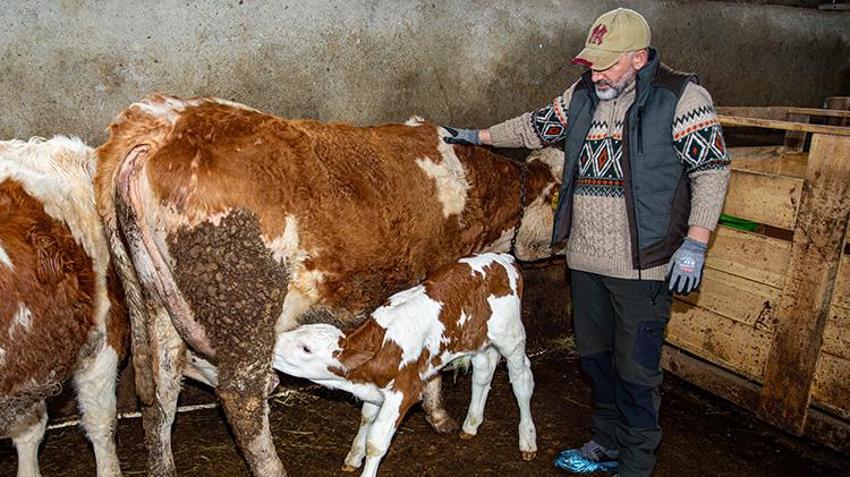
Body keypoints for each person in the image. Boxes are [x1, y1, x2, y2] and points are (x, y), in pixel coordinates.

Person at [443, 8, 730, 477]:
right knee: (595, 361)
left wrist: (696, 242)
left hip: (644, 265)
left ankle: (637, 463)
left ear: (638, 58)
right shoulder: (582, 95)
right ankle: (606, 442)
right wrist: (474, 136)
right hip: (585, 260)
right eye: (591, 64)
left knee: (636, 371)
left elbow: (712, 170)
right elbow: (534, 126)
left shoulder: (681, 98)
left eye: (607, 64)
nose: (596, 73)